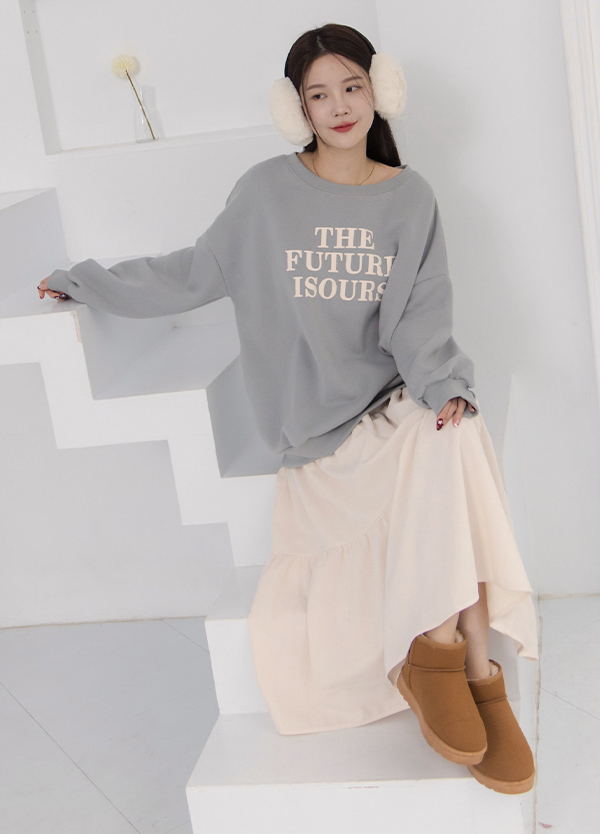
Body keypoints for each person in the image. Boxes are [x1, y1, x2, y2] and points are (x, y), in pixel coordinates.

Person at [37, 23, 538, 795]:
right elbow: (194, 272)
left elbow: (419, 320)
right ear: (296, 108)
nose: (339, 107)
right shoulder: (267, 192)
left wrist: (447, 388)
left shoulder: (410, 198)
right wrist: (88, 281)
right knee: (456, 449)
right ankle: (473, 670)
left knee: (457, 430)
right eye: (318, 94)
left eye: (352, 87)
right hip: (319, 435)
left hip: (390, 406)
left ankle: (455, 656)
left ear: (381, 89)